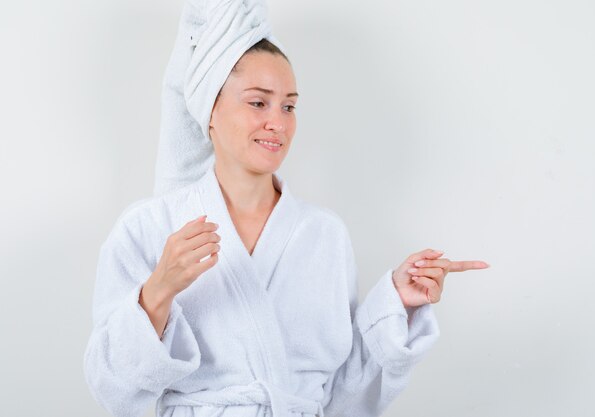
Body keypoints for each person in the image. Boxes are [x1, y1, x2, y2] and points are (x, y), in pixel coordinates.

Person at [83, 2, 490, 417]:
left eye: (289, 106)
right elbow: (111, 391)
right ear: (210, 113)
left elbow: (341, 397)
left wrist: (396, 305)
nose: (278, 122)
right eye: (258, 103)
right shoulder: (150, 227)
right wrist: (158, 292)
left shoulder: (324, 234)